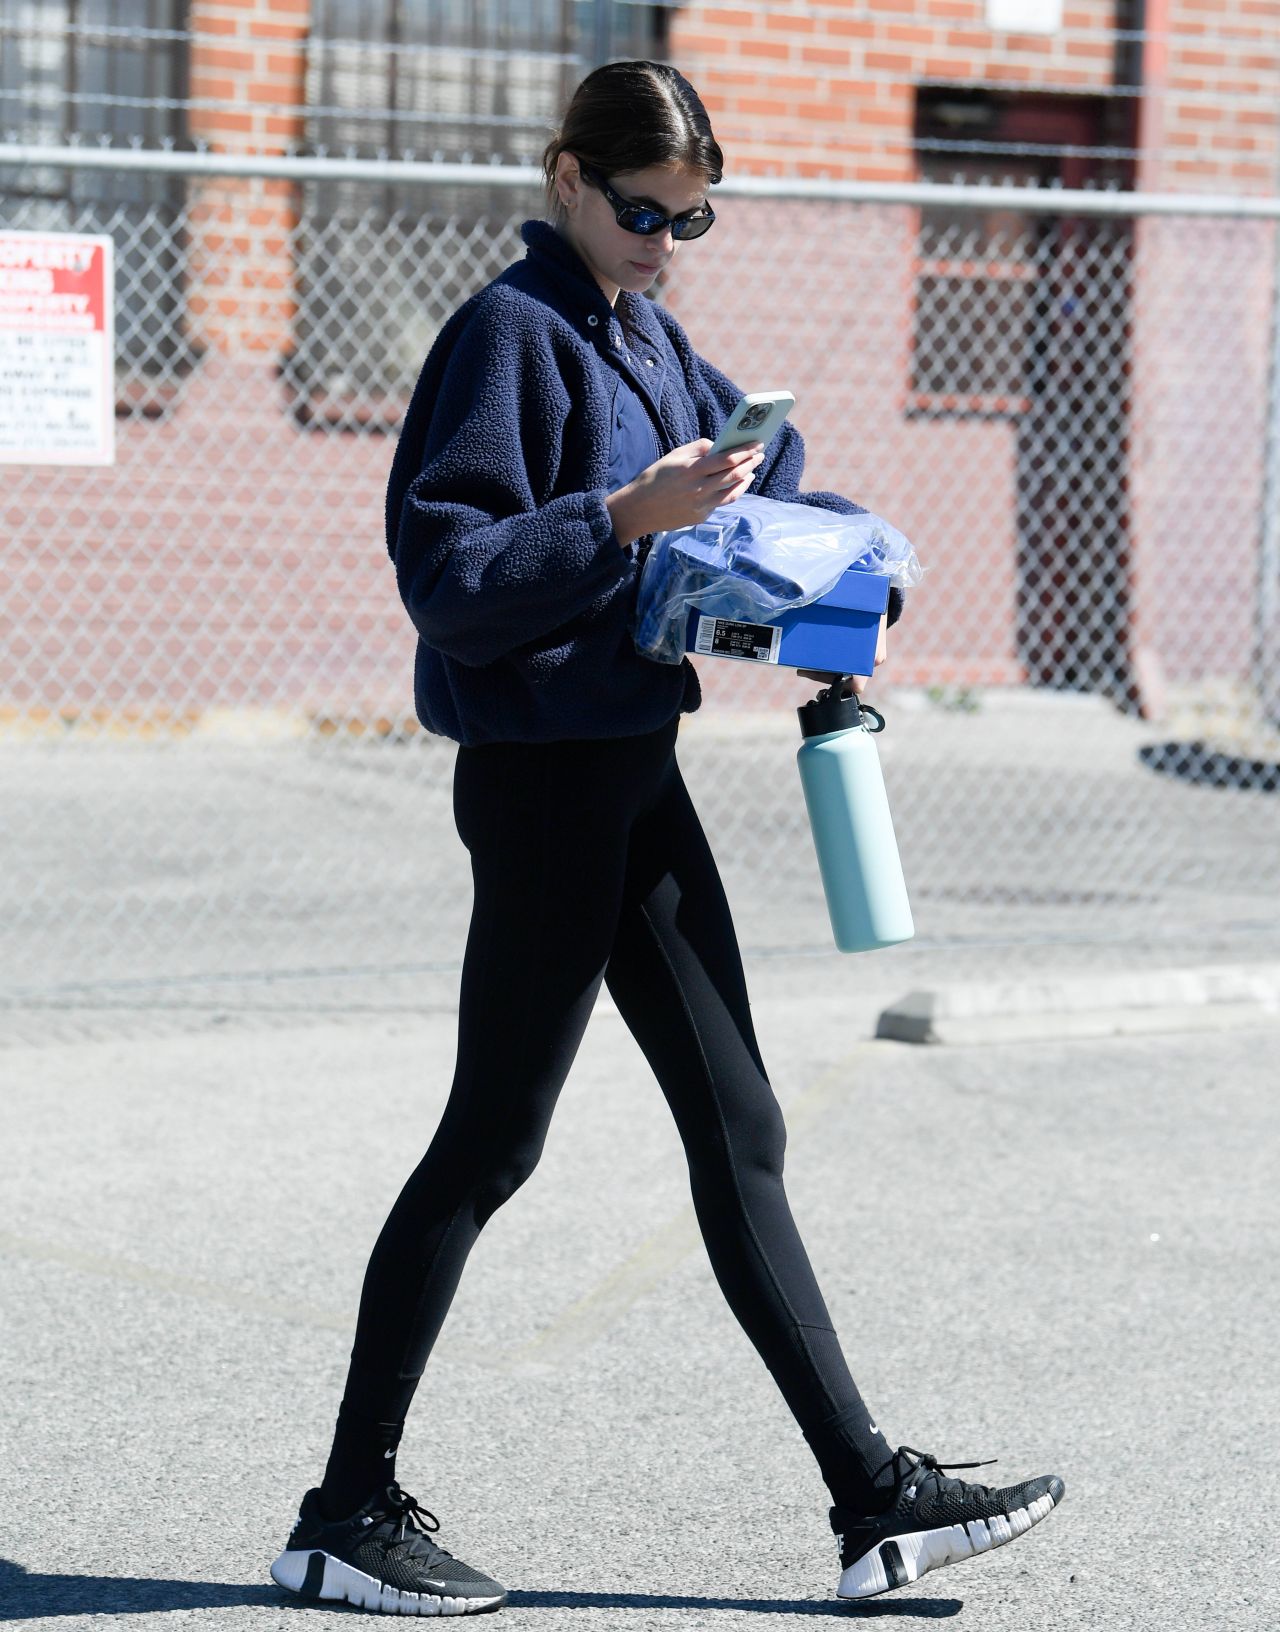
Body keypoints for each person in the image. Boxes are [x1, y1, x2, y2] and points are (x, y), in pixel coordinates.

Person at [269, 60, 1064, 1615]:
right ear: (568, 176)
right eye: (643, 212)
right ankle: (342, 1513)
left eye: (692, 220)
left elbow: (755, 474)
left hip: (637, 773)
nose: (663, 244)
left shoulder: (646, 334)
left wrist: (841, 564)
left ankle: (873, 1502)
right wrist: (625, 520)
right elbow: (451, 579)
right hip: (546, 788)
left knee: (741, 1129)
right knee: (492, 1146)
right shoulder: (507, 336)